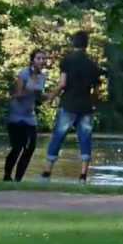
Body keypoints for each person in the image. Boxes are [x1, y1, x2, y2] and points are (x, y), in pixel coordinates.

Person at [41, 30, 101, 183]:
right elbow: (96, 90)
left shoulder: (67, 60)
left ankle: (47, 173)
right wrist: (93, 104)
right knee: (85, 139)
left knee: (58, 136)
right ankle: (83, 176)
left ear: (73, 43)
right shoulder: (93, 65)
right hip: (86, 106)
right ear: (86, 45)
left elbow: (62, 83)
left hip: (68, 104)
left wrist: (51, 97)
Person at [4, 49, 47, 182]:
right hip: (16, 115)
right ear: (32, 60)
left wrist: (56, 92)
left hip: (29, 116)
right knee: (17, 148)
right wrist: (32, 80)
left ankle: (18, 180)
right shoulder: (23, 74)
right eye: (38, 58)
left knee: (30, 147)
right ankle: (7, 177)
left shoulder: (43, 76)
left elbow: (39, 97)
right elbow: (18, 94)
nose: (42, 61)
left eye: (43, 59)